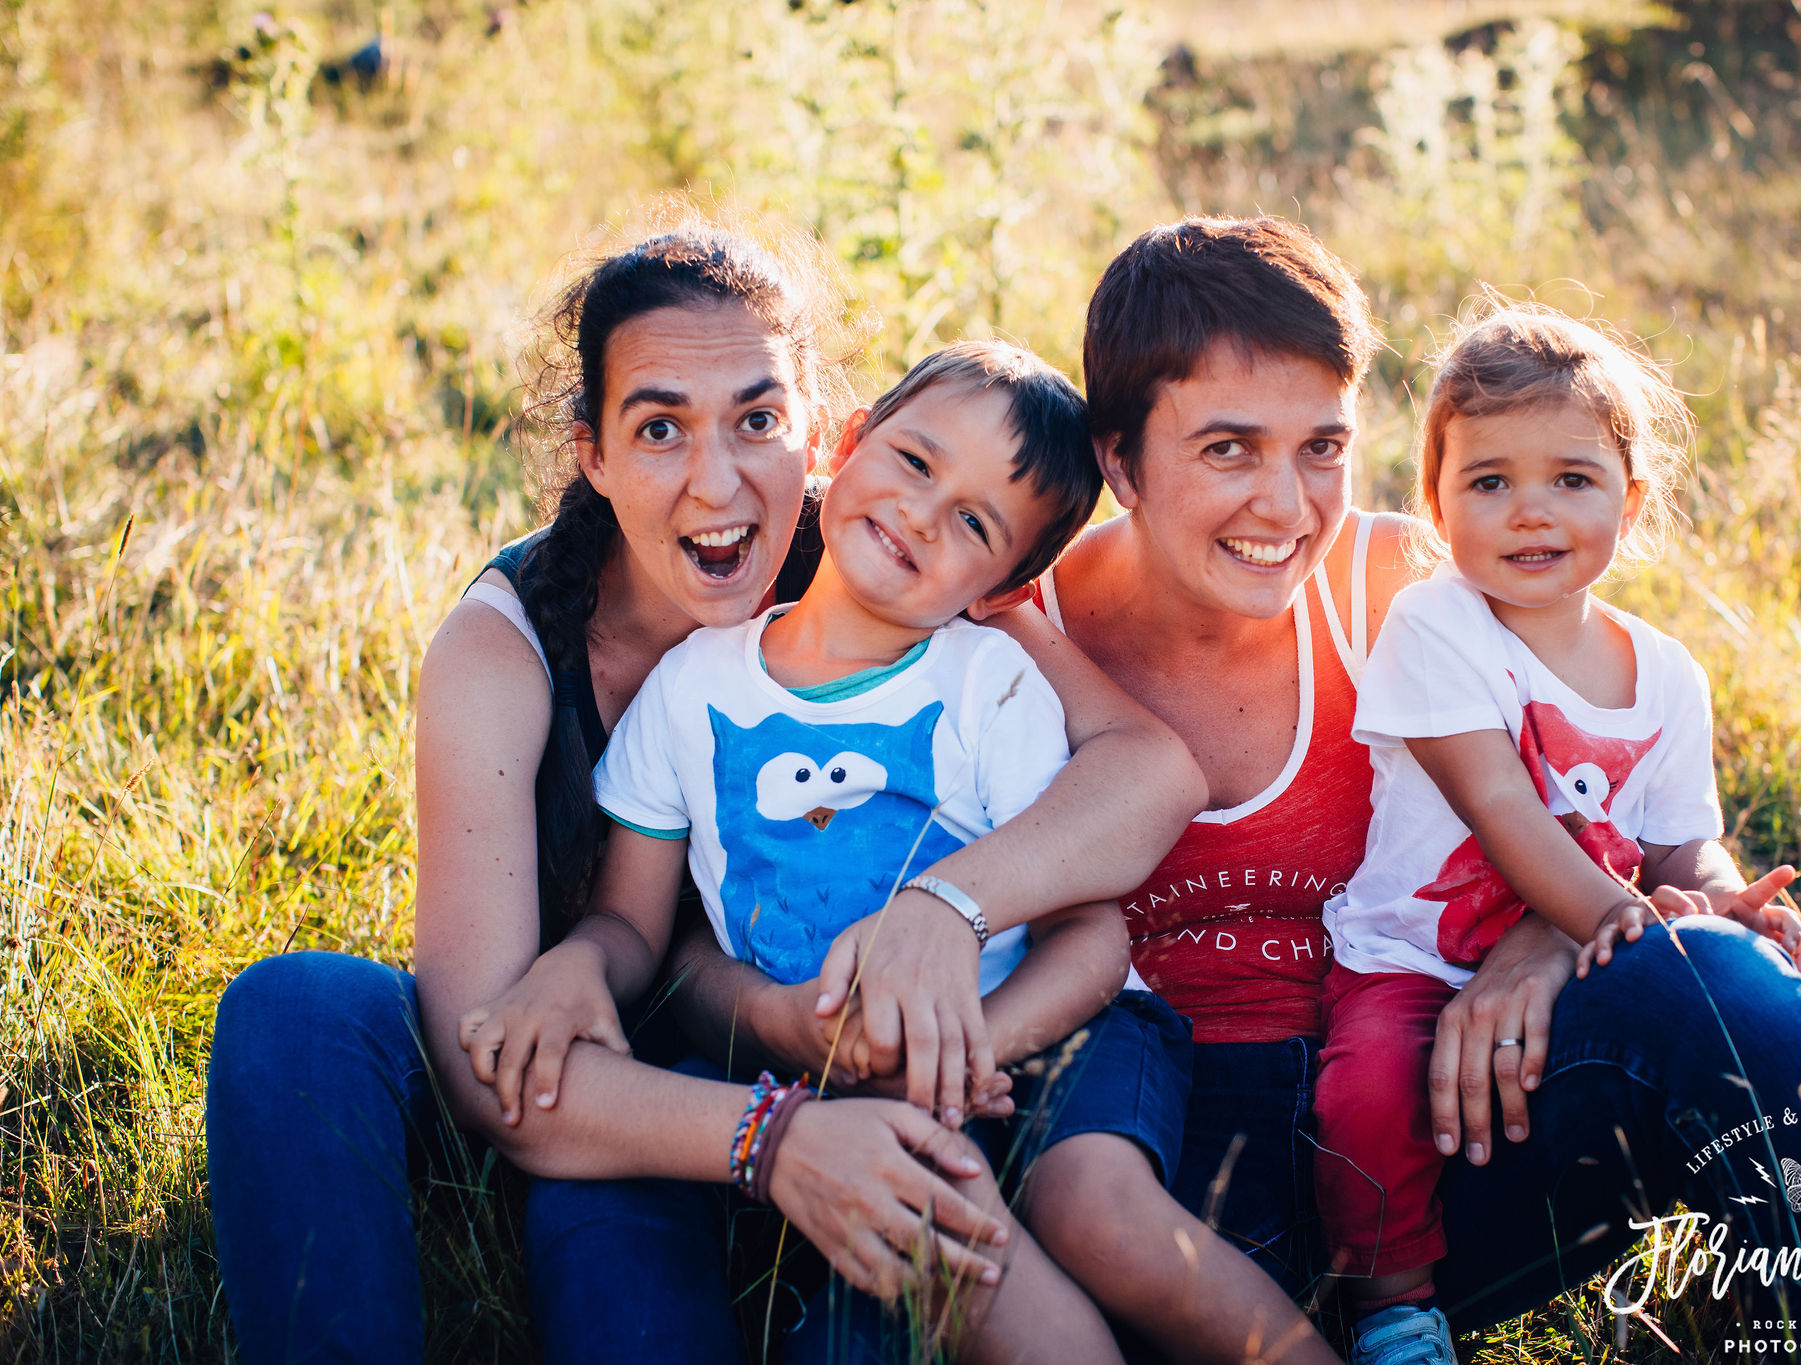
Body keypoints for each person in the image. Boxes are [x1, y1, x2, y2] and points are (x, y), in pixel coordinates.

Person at [1033, 215, 1801, 1363]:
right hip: (1155, 1196)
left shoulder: (1408, 583)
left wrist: (1550, 941)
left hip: (1440, 1120)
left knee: (1709, 980)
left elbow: (1589, 813)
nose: (1285, 505)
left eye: (1322, 446)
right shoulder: (1022, 634)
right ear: (1116, 460)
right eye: (1226, 450)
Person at [204, 223, 1207, 1364]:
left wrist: (947, 904)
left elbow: (1145, 772)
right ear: (591, 452)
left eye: (757, 420)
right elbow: (490, 1061)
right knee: (295, 1012)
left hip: (815, 1053)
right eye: (659, 428)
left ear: (822, 431)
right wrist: (773, 1139)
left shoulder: (884, 548)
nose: (716, 481)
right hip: (594, 1077)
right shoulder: (506, 647)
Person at [555, 339, 1339, 1364]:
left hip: (1060, 1030)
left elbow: (1091, 937)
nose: (922, 515)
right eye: (915, 464)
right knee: (955, 1248)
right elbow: (634, 922)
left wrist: (978, 1048)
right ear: (849, 442)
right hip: (852, 1075)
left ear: (1001, 583)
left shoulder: (986, 681)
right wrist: (574, 965)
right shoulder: (691, 690)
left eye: (973, 521)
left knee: (1095, 1215)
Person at [1312, 305, 1801, 1361]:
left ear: (1630, 504)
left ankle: (1780, 1278)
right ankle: (1392, 1311)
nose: (1528, 513)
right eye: (1487, 481)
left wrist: (1716, 904)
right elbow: (1501, 811)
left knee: (1730, 1035)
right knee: (1364, 1094)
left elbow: (1682, 843)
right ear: (1434, 507)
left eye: (1570, 481)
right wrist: (1641, 935)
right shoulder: (1435, 626)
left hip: (1578, 950)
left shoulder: (1665, 673)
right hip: (1410, 958)